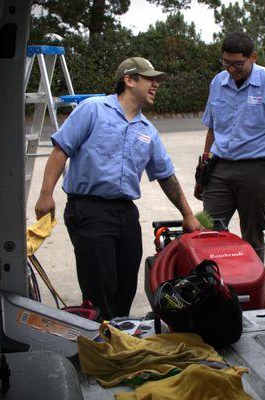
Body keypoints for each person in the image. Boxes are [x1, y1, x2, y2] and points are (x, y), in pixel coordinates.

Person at [35, 57, 202, 320]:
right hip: (89, 209)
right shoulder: (93, 110)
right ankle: (99, 346)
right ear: (129, 79)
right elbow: (61, 150)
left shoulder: (147, 130)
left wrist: (188, 214)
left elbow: (166, 175)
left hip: (125, 213)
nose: (156, 84)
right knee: (100, 287)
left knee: (125, 286)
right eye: (150, 78)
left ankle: (119, 341)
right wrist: (46, 195)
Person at [195, 32, 265, 263]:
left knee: (252, 237)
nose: (231, 69)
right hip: (219, 169)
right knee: (207, 231)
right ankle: (214, 289)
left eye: (238, 64)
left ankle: (253, 292)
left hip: (256, 170)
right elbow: (212, 129)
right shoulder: (217, 83)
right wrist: (203, 171)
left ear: (254, 57)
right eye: (226, 63)